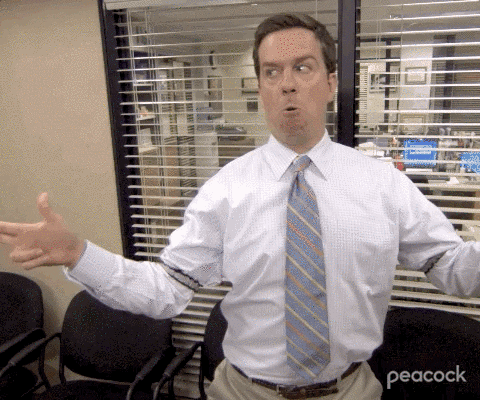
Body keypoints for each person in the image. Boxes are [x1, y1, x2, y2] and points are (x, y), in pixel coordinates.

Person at [1, 13, 480, 400]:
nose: (287, 84)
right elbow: (167, 291)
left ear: (331, 82)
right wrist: (79, 254)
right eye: (272, 72)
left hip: (350, 390)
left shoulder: (384, 185)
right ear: (261, 87)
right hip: (243, 391)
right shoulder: (225, 191)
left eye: (303, 68)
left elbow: (455, 272)